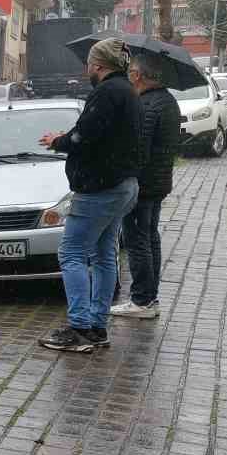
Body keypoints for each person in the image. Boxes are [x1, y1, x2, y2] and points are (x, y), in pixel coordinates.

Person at [38, 37, 142, 352]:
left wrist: (59, 141)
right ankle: (98, 327)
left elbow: (86, 136)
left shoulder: (106, 92)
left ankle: (80, 327)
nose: (87, 68)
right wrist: (69, 137)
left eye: (89, 63)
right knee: (104, 255)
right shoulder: (129, 92)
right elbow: (104, 135)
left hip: (99, 188)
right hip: (123, 185)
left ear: (96, 65)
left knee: (71, 254)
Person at [111, 54, 182, 319]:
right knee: (150, 238)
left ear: (138, 75)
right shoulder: (168, 101)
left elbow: (138, 148)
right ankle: (150, 298)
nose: (129, 75)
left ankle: (141, 300)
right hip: (159, 182)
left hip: (142, 185)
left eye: (131, 71)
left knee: (137, 241)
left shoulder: (146, 105)